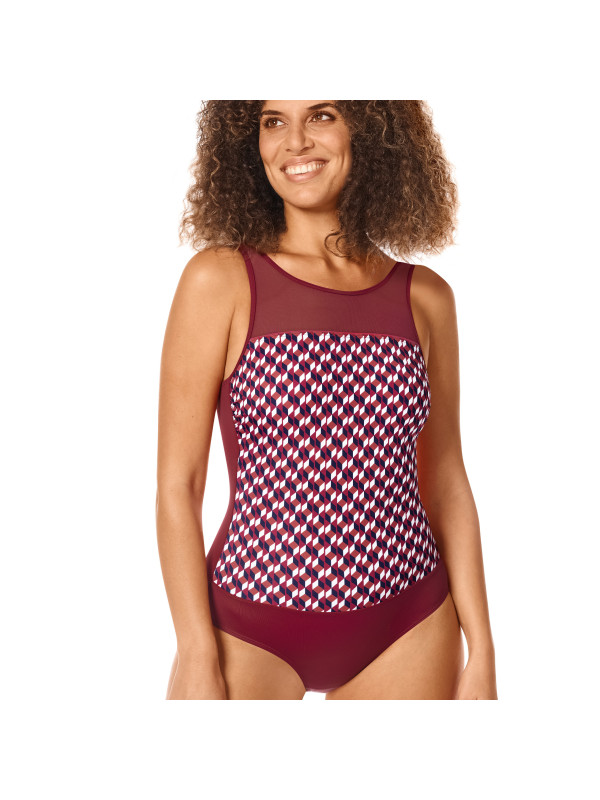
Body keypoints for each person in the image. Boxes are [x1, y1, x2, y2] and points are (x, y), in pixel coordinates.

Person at [156, 100, 498, 700]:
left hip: (408, 622)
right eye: (272, 121)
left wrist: (483, 649)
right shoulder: (221, 279)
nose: (294, 142)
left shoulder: (426, 297)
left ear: (371, 129)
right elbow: (178, 486)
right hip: (249, 624)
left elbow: (445, 480)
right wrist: (195, 650)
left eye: (321, 116)